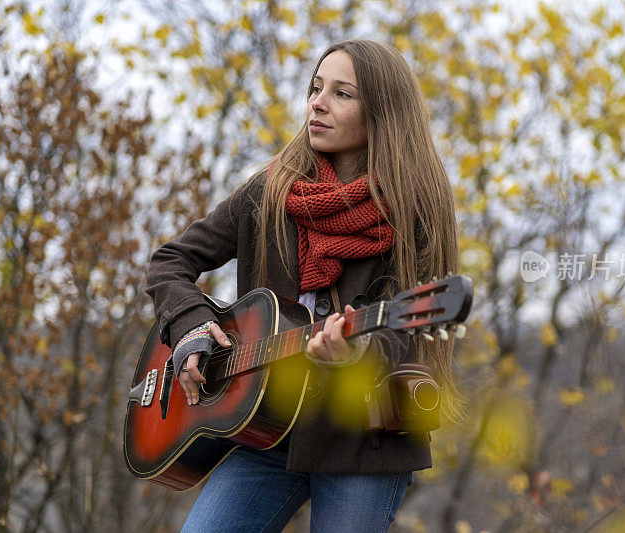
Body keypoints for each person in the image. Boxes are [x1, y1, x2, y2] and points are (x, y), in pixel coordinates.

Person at [145, 38, 462, 533]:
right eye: (316, 88)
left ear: (382, 112)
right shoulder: (270, 191)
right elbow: (171, 261)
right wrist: (193, 328)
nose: (317, 103)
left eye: (342, 94)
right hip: (267, 434)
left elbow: (402, 335)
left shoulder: (415, 208)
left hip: (364, 441)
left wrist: (355, 355)